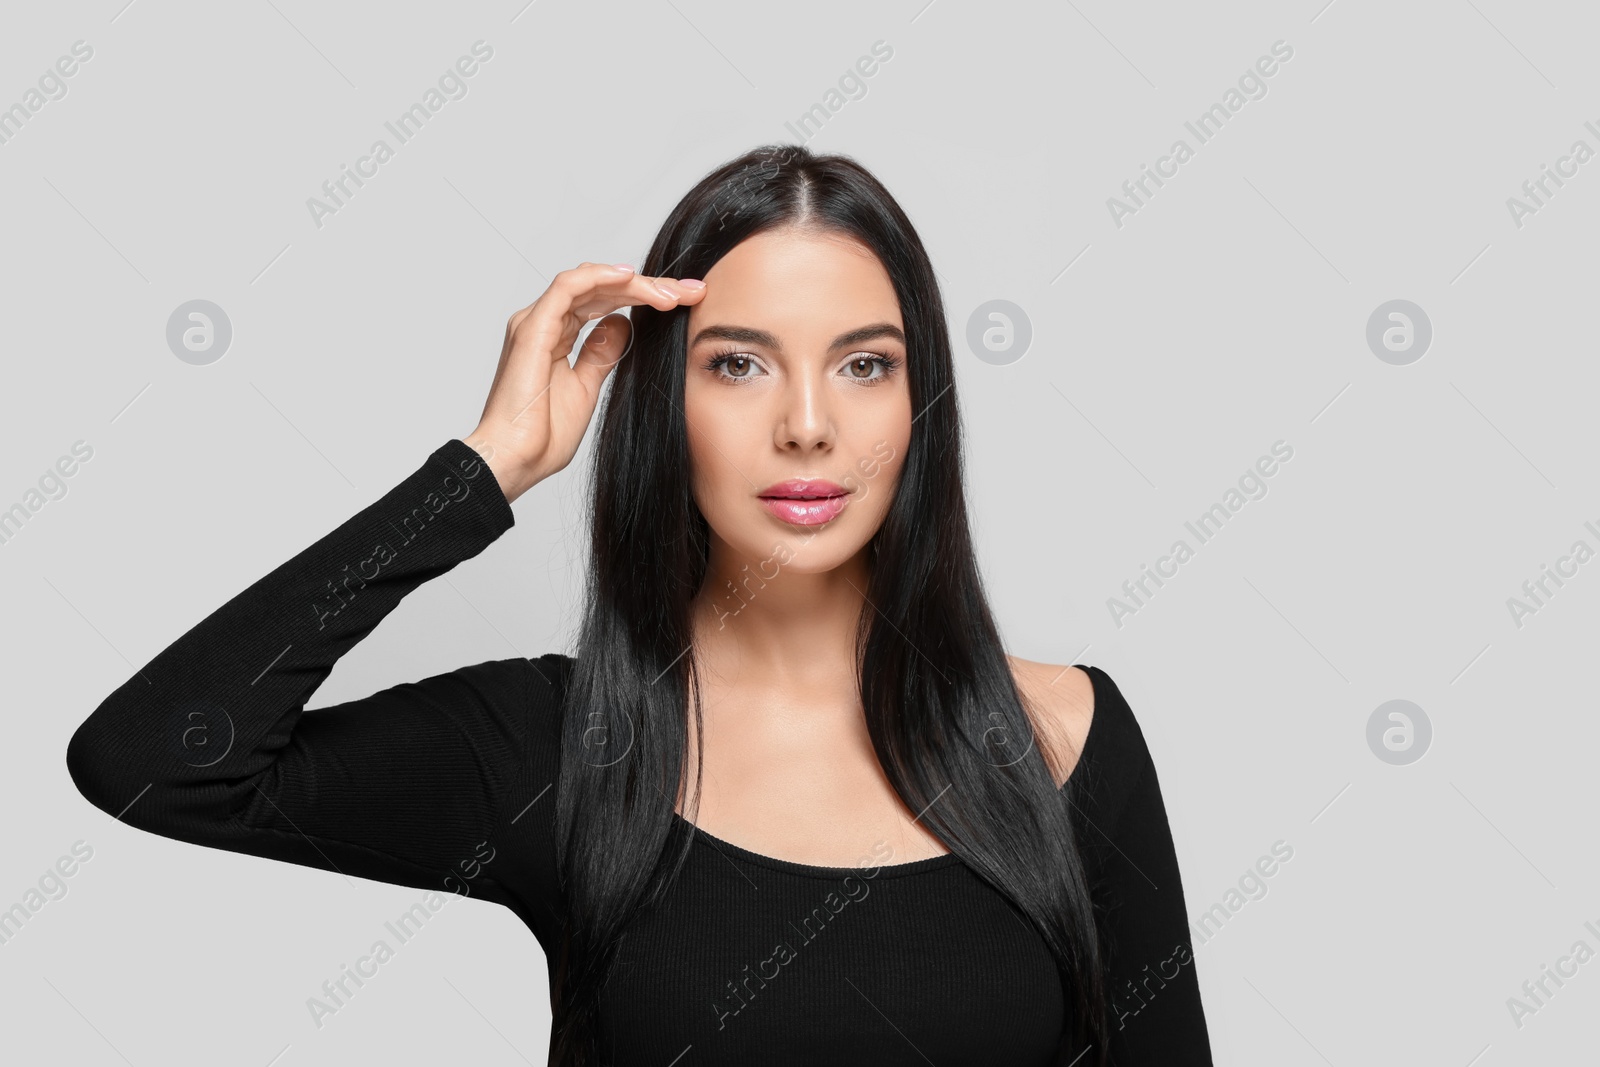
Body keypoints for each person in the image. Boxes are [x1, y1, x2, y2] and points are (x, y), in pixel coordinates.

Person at [66, 143, 1212, 1065]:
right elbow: (154, 758)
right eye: (738, 363)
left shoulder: (1067, 741)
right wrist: (482, 469)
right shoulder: (560, 748)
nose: (807, 422)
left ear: (921, 404)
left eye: (864, 363)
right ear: (662, 400)